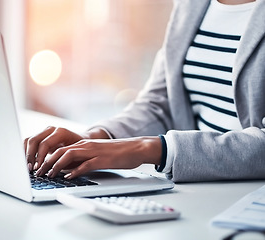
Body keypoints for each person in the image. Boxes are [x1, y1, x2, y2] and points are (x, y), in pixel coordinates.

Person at [24, 0, 265, 183]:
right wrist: (98, 137)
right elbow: (160, 103)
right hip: (200, 187)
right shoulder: (192, 4)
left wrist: (148, 149)